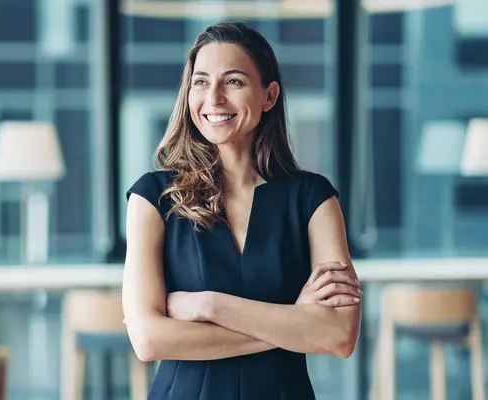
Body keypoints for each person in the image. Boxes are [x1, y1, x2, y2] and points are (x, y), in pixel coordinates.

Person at [122, 21, 362, 399]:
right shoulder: (153, 197)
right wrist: (295, 323)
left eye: (233, 81)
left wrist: (206, 304)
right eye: (200, 82)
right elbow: (149, 340)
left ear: (269, 96)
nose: (213, 98)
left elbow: (339, 336)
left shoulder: (313, 199)